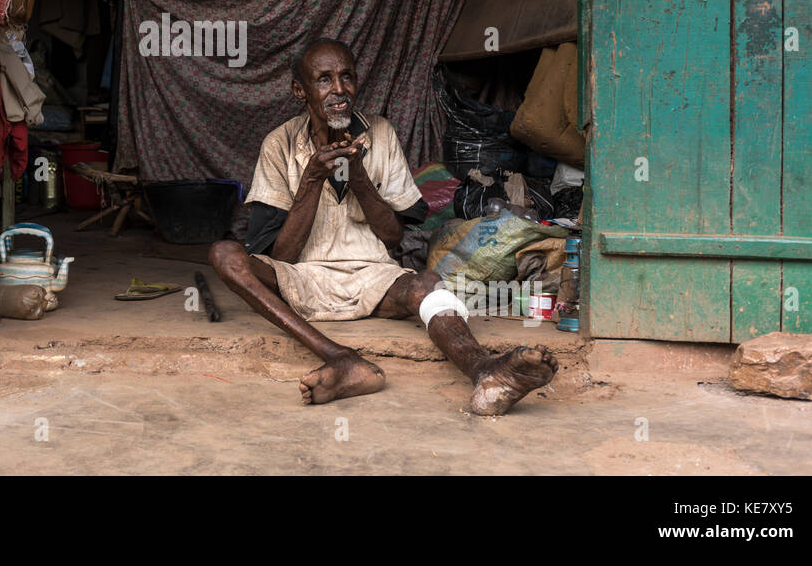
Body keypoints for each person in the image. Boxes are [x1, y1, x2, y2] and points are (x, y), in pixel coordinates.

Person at [208, 38, 558, 414]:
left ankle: (484, 369)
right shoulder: (279, 145)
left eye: (347, 77)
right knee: (224, 254)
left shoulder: (380, 133)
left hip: (373, 277)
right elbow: (281, 255)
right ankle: (341, 358)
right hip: (300, 278)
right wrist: (311, 179)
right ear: (300, 90)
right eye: (324, 80)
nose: (339, 90)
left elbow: (393, 237)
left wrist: (357, 176)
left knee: (426, 282)